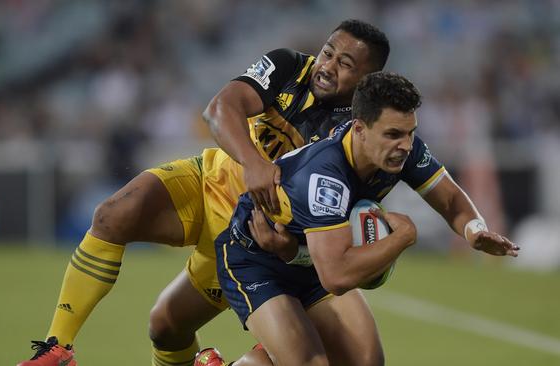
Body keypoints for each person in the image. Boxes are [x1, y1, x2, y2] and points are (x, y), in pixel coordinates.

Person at [17, 20, 391, 366]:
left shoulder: (358, 140)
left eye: (345, 64)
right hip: (206, 182)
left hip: (249, 238)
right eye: (328, 52)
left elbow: (338, 236)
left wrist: (292, 251)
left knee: (166, 326)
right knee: (113, 214)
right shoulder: (289, 66)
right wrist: (253, 163)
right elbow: (220, 108)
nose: (326, 66)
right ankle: (58, 347)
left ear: (367, 80)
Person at [196, 71, 519, 366]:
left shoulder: (397, 149)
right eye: (394, 134)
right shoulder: (324, 176)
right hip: (256, 259)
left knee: (366, 362)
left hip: (310, 256)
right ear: (360, 129)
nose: (405, 145)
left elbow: (449, 197)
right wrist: (402, 237)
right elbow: (337, 277)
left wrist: (474, 230)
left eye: (410, 133)